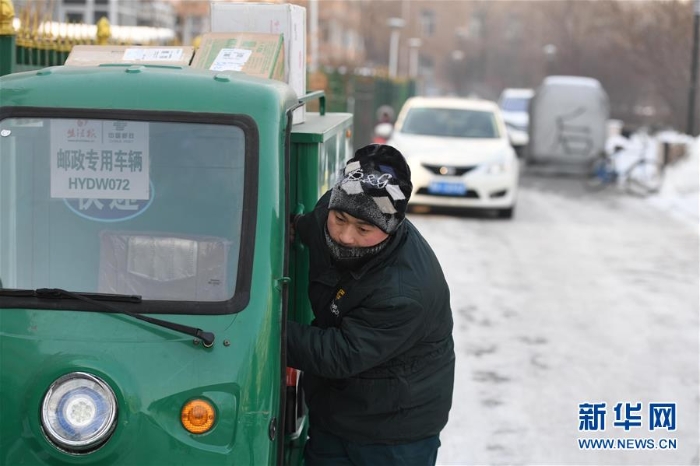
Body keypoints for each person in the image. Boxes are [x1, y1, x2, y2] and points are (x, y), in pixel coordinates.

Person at [287, 144, 455, 466]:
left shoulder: (405, 292)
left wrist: (264, 330)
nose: (346, 236)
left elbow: (339, 353)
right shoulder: (334, 211)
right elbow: (314, 225)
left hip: (395, 435)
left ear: (391, 229)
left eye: (364, 229)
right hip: (336, 414)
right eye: (340, 219)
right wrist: (292, 226)